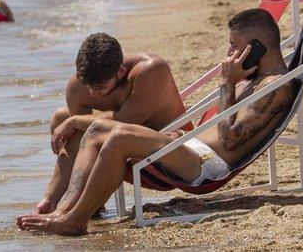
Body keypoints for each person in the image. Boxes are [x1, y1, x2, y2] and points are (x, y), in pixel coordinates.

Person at [18, 10, 295, 236]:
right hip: (187, 145)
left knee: (117, 135)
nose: (229, 51)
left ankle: (74, 219)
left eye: (234, 45)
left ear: (257, 45)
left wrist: (226, 83)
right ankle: (65, 208)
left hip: (207, 162)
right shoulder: (256, 80)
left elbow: (229, 139)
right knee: (99, 128)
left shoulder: (275, 87)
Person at [21, 33, 186, 217]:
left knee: (79, 124)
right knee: (61, 118)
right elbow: (81, 145)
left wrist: (75, 120)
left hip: (171, 158)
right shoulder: (78, 85)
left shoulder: (152, 69)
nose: (92, 92)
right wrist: (50, 197)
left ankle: (70, 209)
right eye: (87, 85)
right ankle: (56, 203)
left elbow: (124, 122)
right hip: (121, 156)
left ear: (121, 72)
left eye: (99, 87)